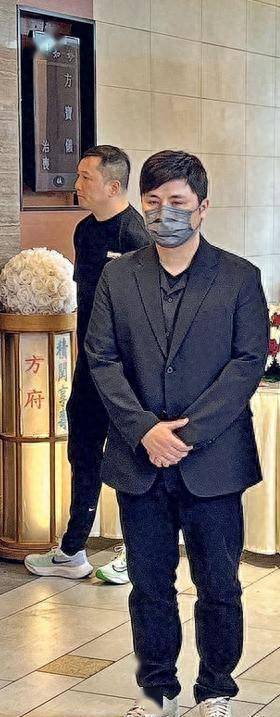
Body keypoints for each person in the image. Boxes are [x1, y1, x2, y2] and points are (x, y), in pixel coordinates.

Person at [84, 150, 268, 717]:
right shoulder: (118, 276)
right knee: (149, 587)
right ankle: (157, 690)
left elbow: (248, 362)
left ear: (203, 208)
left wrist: (186, 434)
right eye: (154, 202)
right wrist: (144, 430)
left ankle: (216, 688)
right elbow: (101, 358)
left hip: (213, 461)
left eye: (178, 202)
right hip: (139, 461)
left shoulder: (239, 277)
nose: (165, 213)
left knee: (219, 587)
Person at [25, 145, 149, 584]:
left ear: (113, 187)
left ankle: (138, 552)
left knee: (132, 454)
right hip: (91, 363)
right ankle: (73, 549)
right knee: (82, 448)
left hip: (129, 371)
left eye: (85, 178)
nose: (76, 185)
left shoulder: (136, 235)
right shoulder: (84, 231)